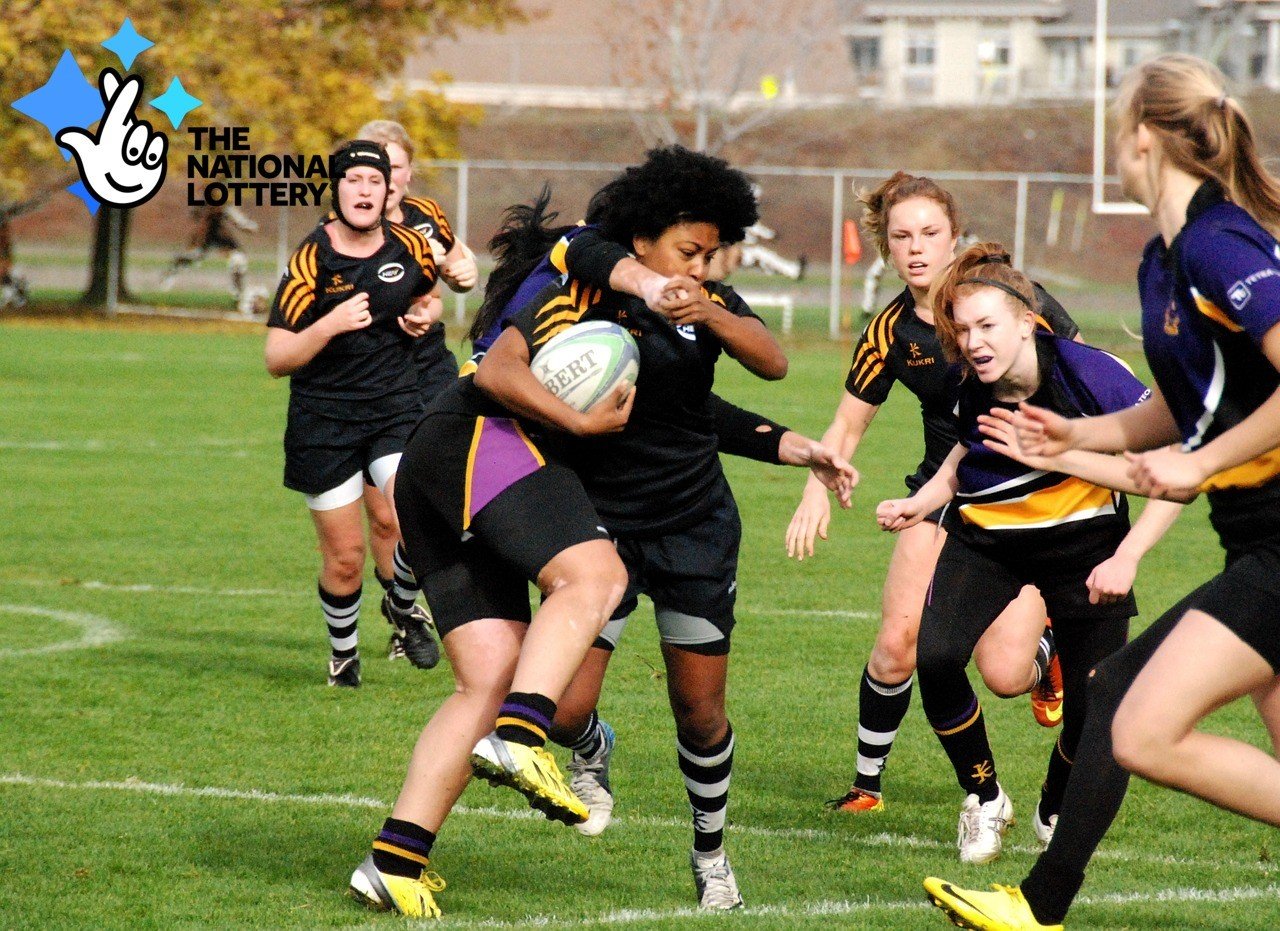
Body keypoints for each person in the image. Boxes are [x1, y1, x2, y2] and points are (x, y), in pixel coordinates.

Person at [925, 53, 1280, 930]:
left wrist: (1199, 465)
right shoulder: (1164, 259)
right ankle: (1040, 903)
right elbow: (1180, 403)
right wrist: (1077, 435)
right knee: (1126, 699)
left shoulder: (1216, 240)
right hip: (1254, 536)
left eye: (1118, 129)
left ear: (1144, 141)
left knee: (1132, 710)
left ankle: (1040, 904)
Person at [476, 146, 852, 910]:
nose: (704, 263)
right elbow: (498, 369)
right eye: (690, 249)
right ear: (640, 239)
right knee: (567, 708)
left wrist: (707, 307)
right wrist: (574, 419)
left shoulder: (705, 299)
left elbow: (768, 366)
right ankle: (593, 748)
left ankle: (711, 854)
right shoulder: (578, 283)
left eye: (713, 252)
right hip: (597, 523)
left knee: (700, 709)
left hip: (694, 523)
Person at [880, 241, 1182, 865]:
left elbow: (1174, 469)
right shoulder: (968, 379)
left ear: (1028, 321)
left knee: (1094, 704)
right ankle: (985, 799)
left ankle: (1052, 805)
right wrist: (927, 500)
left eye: (987, 325)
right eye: (962, 329)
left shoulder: (1090, 373)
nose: (974, 341)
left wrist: (1128, 556)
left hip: (1086, 550)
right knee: (934, 657)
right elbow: (967, 451)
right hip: (986, 539)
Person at [786, 173, 1076, 816]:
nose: (916, 247)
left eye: (929, 233)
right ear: (886, 248)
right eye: (901, 236)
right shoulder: (891, 329)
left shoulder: (1008, 298)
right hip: (939, 497)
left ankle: (1045, 649)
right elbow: (847, 423)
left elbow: (1080, 372)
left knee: (1003, 675)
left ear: (953, 235)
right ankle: (867, 786)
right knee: (897, 643)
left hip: (1023, 498)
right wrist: (815, 486)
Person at [264, 140, 439, 688]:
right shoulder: (312, 259)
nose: (364, 190)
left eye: (373, 181)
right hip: (325, 421)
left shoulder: (410, 244)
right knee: (345, 558)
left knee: (414, 515)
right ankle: (343, 655)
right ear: (336, 189)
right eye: (353, 180)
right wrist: (329, 324)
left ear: (389, 190)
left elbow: (428, 295)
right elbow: (276, 358)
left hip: (393, 407)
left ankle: (403, 607)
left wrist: (421, 316)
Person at [346, 119, 476, 668]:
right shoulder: (343, 232)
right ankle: (404, 610)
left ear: (407, 173)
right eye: (372, 167)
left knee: (444, 498)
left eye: (394, 166)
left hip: (432, 374)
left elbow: (455, 270)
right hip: (371, 382)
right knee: (389, 516)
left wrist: (459, 273)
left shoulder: (427, 218)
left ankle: (403, 605)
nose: (384, 178)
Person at [161, 204, 258, 300]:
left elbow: (236, 218)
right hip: (205, 236)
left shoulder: (225, 206)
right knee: (192, 256)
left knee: (238, 260)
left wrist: (247, 225)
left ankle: (238, 294)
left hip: (220, 235)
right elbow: (195, 215)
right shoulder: (204, 205)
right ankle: (170, 273)